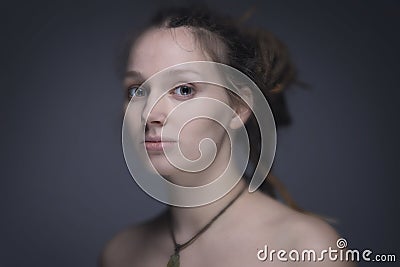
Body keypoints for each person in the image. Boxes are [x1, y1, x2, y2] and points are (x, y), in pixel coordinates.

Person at [100, 5, 354, 267]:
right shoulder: (120, 254)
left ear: (238, 107)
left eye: (184, 89)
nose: (149, 113)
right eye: (136, 91)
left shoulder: (307, 251)